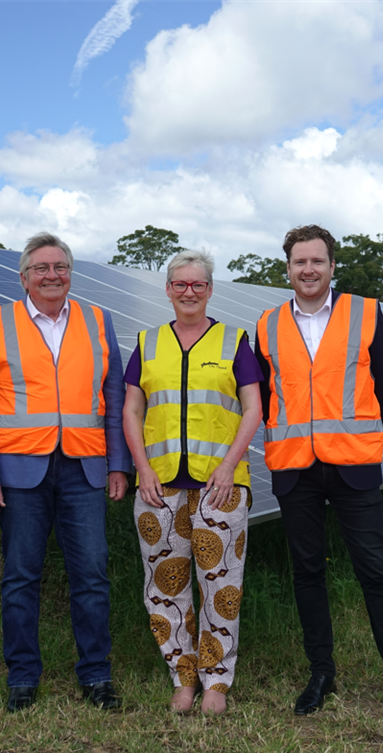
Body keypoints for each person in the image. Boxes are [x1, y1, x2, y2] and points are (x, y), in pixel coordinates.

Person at [254, 225, 383, 726]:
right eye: (299, 262)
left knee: (376, 573)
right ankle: (321, 674)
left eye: (317, 261)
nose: (308, 269)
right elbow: (262, 397)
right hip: (294, 470)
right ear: (288, 267)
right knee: (307, 573)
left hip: (354, 466)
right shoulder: (265, 324)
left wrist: (363, 442)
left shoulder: (365, 313)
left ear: (330, 266)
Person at [0, 232, 130, 713]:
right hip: (19, 473)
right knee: (20, 576)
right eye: (41, 268)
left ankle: (96, 673)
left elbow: (115, 399)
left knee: (92, 575)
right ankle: (22, 676)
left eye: (60, 267)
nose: (52, 275)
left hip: (84, 469)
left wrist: (117, 464)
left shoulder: (99, 321)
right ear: (24, 277)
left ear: (71, 273)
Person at [122, 250, 263, 716]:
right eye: (180, 284)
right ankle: (182, 678)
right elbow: (132, 410)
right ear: (167, 289)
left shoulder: (234, 341)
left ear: (209, 290)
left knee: (221, 586)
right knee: (165, 585)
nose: (188, 292)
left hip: (219, 487)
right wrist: (142, 468)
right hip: (158, 488)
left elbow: (253, 408)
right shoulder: (148, 342)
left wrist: (228, 466)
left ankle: (216, 682)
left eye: (197, 285)